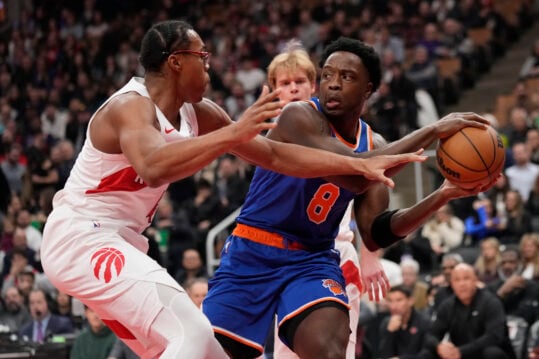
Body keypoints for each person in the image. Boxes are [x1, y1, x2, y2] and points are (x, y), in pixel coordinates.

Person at [39, 21, 421, 359]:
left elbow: (273, 154)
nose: (209, 64)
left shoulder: (199, 112)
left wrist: (358, 164)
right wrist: (231, 134)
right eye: (201, 56)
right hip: (82, 236)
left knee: (200, 350)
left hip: (125, 239)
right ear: (175, 62)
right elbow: (153, 167)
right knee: (194, 333)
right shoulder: (130, 107)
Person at [203, 36, 494, 359]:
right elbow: (356, 175)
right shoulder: (298, 117)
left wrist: (443, 194)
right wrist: (432, 130)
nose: (333, 85)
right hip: (254, 250)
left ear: (368, 90)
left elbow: (376, 232)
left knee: (327, 351)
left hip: (311, 260)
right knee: (212, 354)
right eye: (327, 75)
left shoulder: (376, 143)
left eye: (347, 77)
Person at [264, 40, 390, 359]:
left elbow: (372, 205)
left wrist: (371, 257)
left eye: (300, 82)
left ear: (313, 85)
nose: (293, 89)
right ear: (272, 91)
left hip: (331, 252)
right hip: (283, 256)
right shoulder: (274, 133)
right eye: (284, 84)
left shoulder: (347, 131)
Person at [421, 263, 516, 359]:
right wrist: (439, 346)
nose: (462, 284)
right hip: (458, 353)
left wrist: (461, 351)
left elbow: (494, 337)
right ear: (452, 284)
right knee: (427, 354)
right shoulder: (447, 306)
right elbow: (431, 335)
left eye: (466, 278)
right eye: (457, 280)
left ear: (475, 280)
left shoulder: (491, 302)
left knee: (492, 353)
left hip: (483, 352)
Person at [378, 285, 431, 359]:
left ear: (411, 301)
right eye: (390, 301)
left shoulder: (424, 322)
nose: (394, 306)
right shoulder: (387, 323)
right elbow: (384, 355)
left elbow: (428, 355)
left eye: (399, 300)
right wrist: (390, 333)